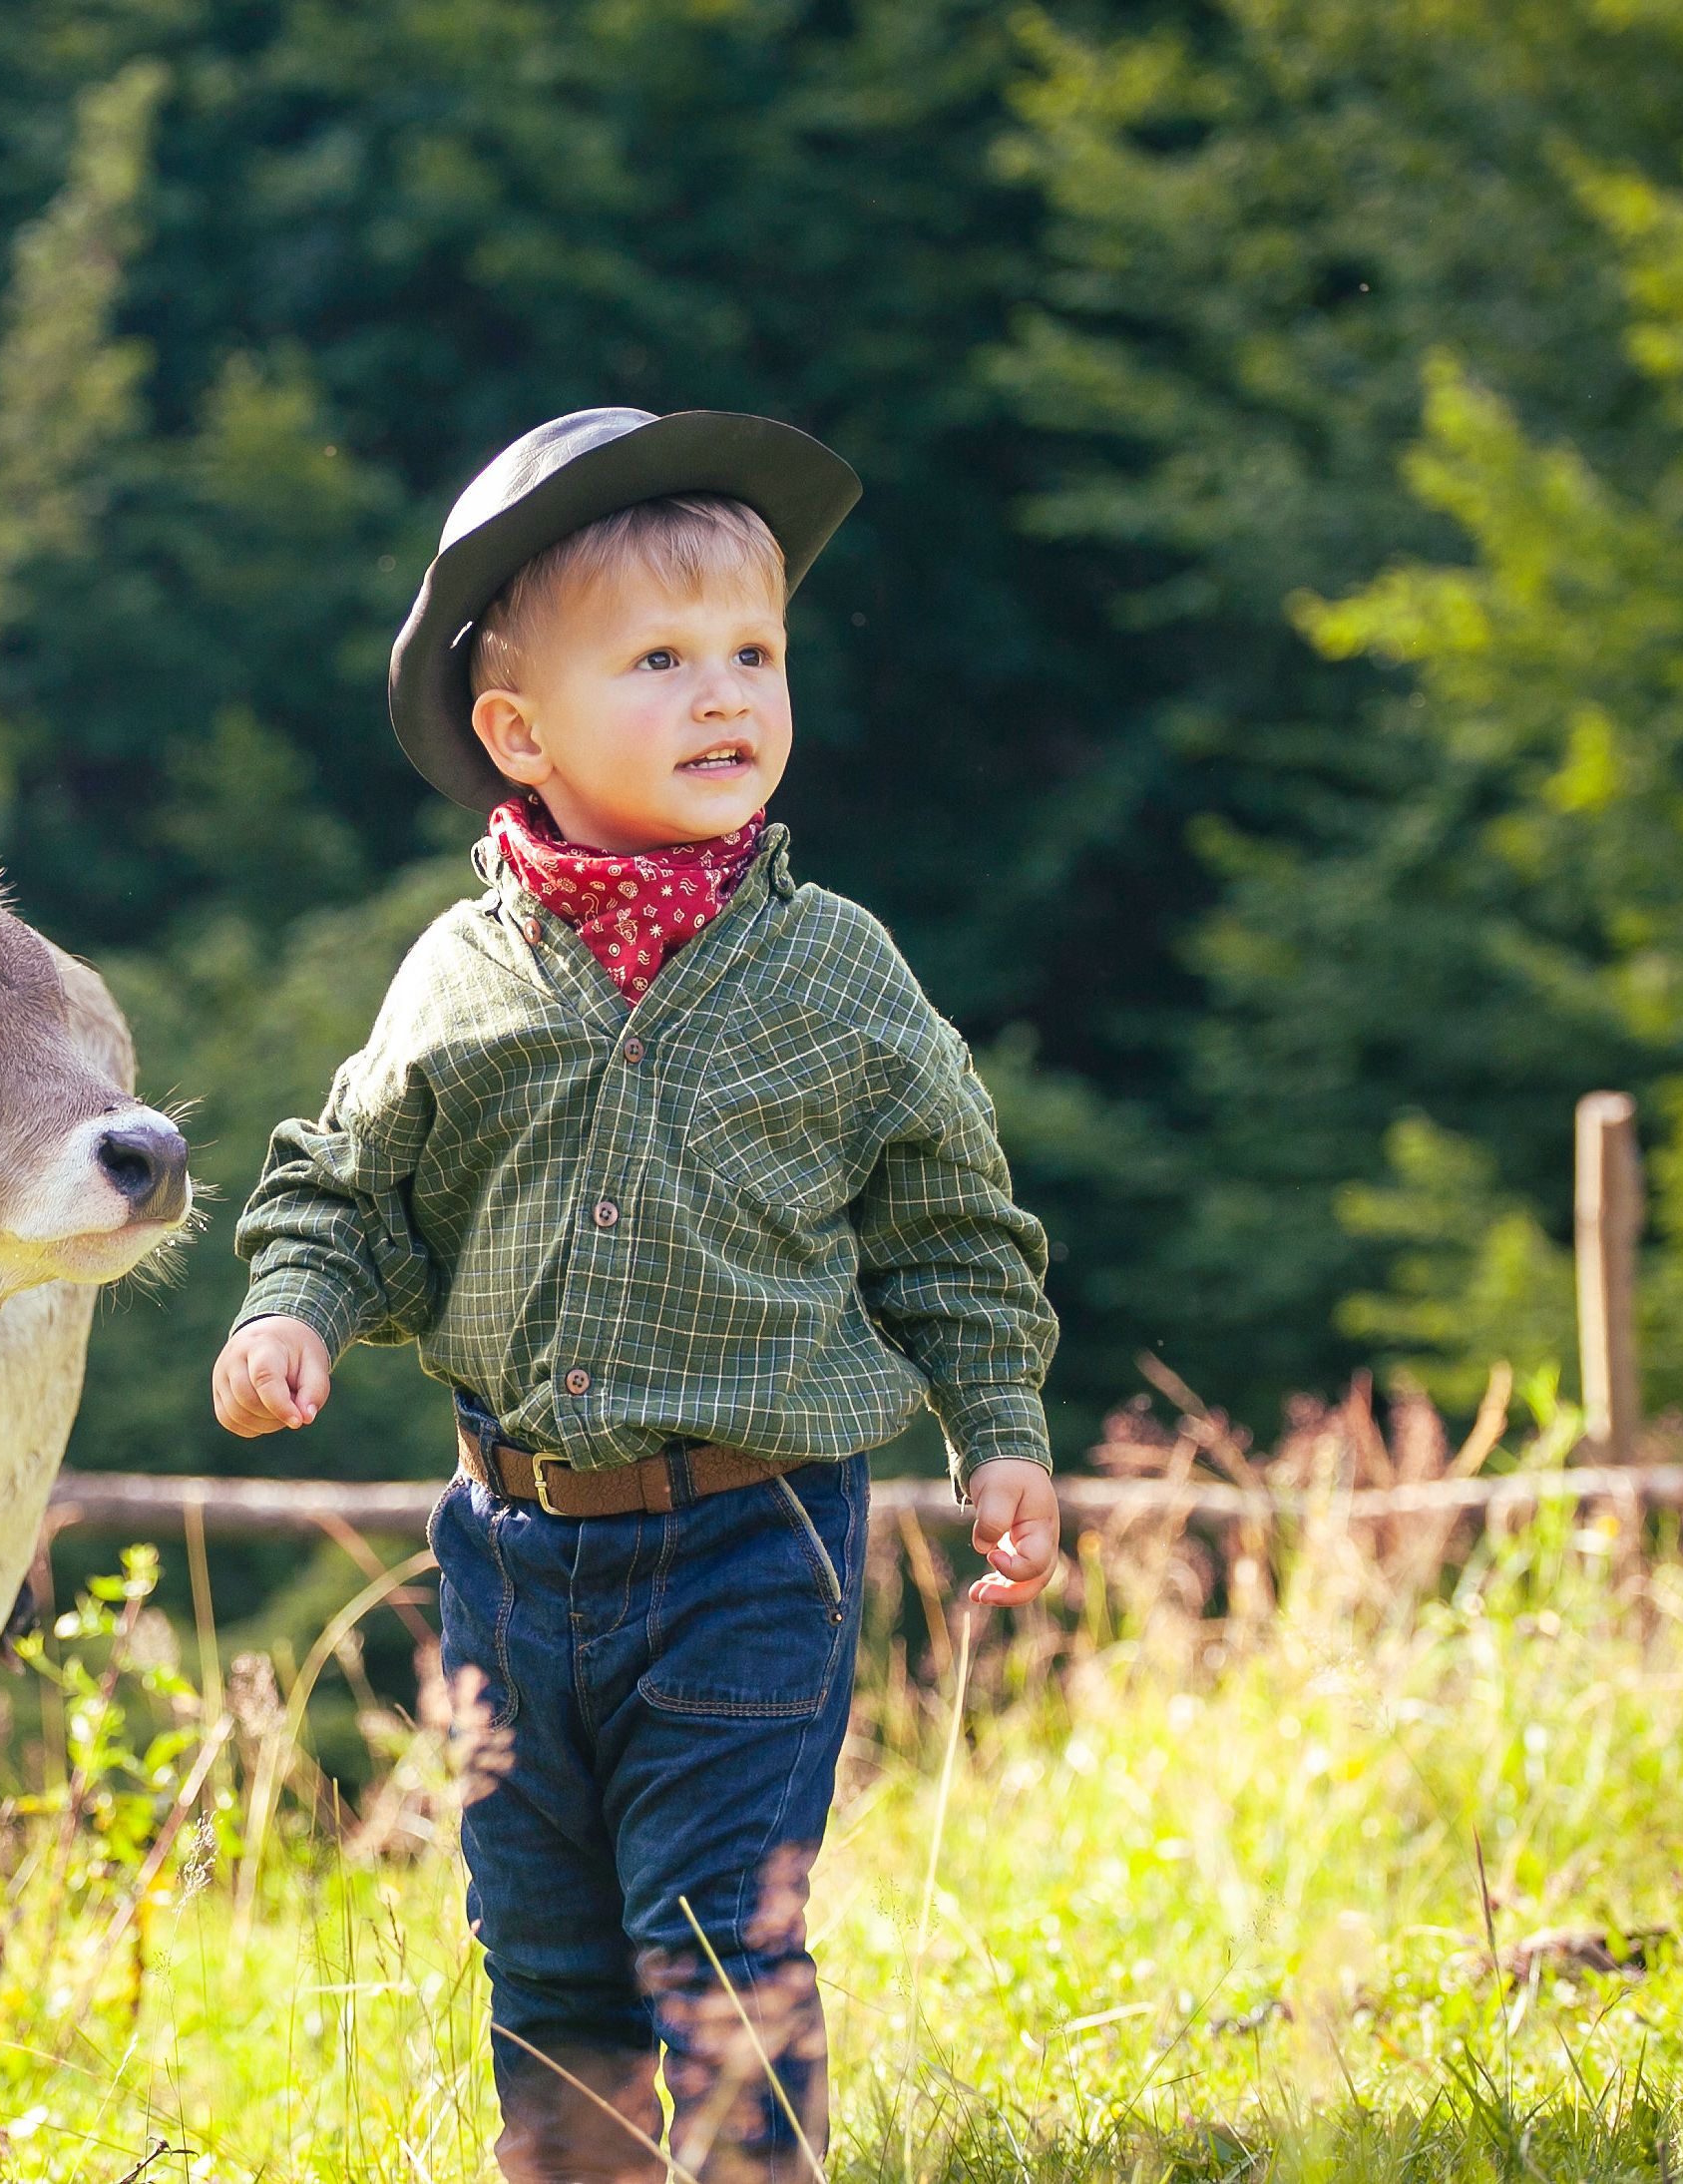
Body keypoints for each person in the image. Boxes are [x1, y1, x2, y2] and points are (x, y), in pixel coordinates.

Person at [212, 407, 1061, 2182]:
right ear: (517, 731)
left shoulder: (834, 970)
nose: (726, 695)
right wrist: (289, 1309)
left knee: (715, 1942)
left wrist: (999, 1428)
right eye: (662, 659)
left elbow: (952, 1225)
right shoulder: (459, 976)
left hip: (754, 1541)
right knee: (544, 1952)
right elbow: (350, 1183)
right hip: (510, 1550)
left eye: (754, 652)